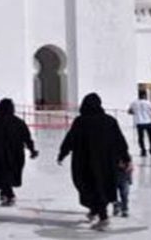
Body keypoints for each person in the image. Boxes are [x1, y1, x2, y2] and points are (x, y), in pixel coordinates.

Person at [57, 93, 130, 232]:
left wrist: (62, 153)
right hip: (106, 163)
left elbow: (70, 139)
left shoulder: (81, 121)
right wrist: (125, 158)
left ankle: (103, 217)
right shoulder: (110, 121)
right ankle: (95, 210)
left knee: (89, 186)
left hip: (84, 163)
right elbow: (120, 141)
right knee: (101, 186)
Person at [0, 99, 39, 206]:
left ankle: (7, 194)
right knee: (8, 174)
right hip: (15, 154)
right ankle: (8, 194)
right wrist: (32, 150)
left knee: (2, 174)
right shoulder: (18, 122)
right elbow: (27, 137)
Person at [128, 89, 151, 157]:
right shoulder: (148, 102)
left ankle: (143, 151)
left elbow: (129, 111)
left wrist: (136, 113)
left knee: (141, 137)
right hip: (148, 122)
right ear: (144, 95)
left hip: (139, 122)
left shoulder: (134, 103)